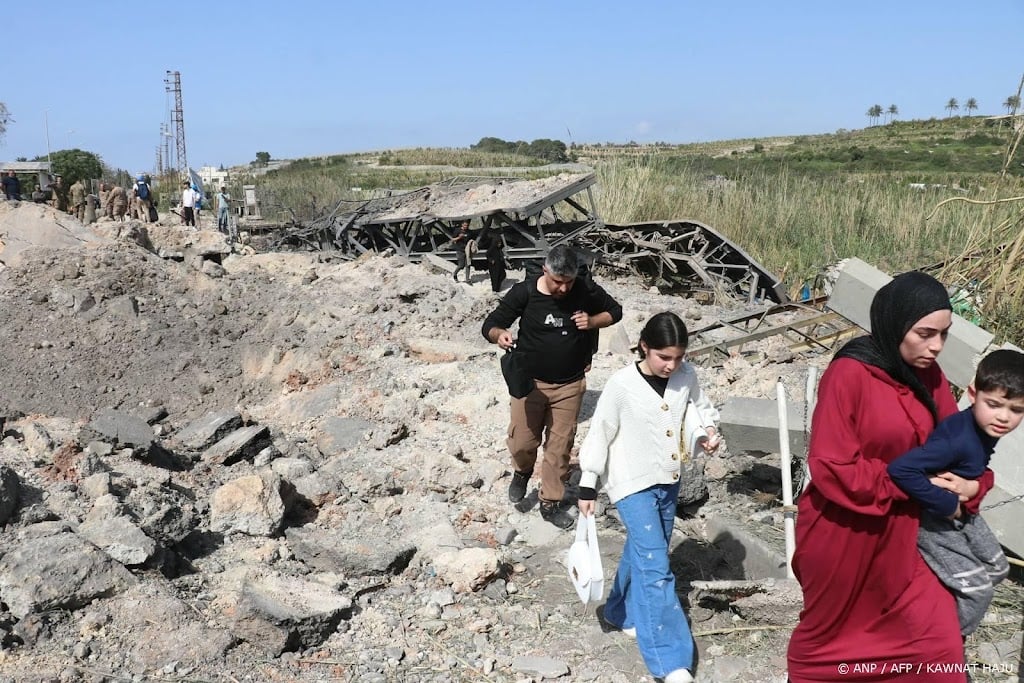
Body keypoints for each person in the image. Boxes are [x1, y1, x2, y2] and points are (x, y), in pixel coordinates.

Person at [787, 271, 994, 683]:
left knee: (939, 648)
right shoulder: (849, 374)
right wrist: (911, 482)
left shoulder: (928, 375)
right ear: (895, 323)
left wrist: (973, 485)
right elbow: (832, 466)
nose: (936, 346)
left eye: (944, 334)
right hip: (845, 536)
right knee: (828, 650)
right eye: (925, 334)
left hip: (909, 540)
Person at [578, 312, 720, 683]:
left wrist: (708, 432)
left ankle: (619, 611)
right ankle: (669, 661)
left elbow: (699, 407)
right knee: (656, 567)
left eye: (679, 357)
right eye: (663, 357)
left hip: (668, 480)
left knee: (643, 552)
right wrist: (588, 483)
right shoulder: (621, 384)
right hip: (630, 482)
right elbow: (600, 432)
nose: (671, 365)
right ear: (644, 347)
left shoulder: (686, 376)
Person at [481, 244, 623, 528]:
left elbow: (615, 312)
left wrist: (592, 321)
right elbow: (491, 324)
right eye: (558, 281)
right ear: (545, 271)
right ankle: (522, 472)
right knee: (522, 442)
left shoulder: (583, 289)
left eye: (568, 281)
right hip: (529, 383)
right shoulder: (525, 292)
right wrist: (500, 335)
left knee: (559, 448)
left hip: (570, 385)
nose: (564, 288)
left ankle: (550, 501)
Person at [887, 348, 1023, 636]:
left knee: (998, 568)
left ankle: (945, 615)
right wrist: (948, 504)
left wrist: (975, 486)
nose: (1003, 417)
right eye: (994, 404)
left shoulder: (985, 428)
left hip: (963, 511)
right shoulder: (957, 440)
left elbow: (976, 468)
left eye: (1016, 410)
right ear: (973, 394)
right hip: (935, 520)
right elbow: (901, 469)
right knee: (978, 591)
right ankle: (943, 643)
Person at [478, 227, 507, 292]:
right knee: (495, 278)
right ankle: (495, 290)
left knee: (502, 275)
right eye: (498, 243)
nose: (499, 244)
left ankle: (497, 288)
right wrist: (491, 260)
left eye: (500, 243)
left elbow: (501, 256)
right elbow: (487, 254)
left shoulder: (498, 249)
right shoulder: (492, 248)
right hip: (493, 266)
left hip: (499, 265)